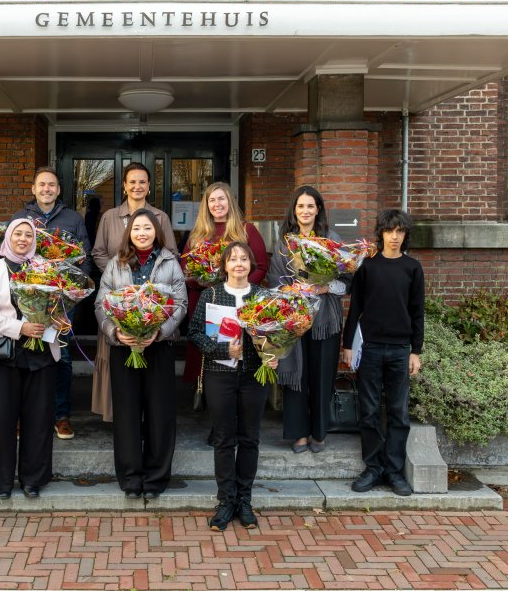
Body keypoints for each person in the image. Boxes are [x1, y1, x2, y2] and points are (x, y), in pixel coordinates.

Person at [94, 208, 187, 499]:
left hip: (159, 348)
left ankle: (156, 478)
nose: (142, 233)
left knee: (160, 414)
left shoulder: (171, 262)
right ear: (129, 233)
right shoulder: (115, 264)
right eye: (136, 229)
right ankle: (131, 478)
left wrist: (159, 332)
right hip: (124, 348)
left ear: (156, 232)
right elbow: (101, 304)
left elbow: (180, 304)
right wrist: (115, 332)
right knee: (127, 414)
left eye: (147, 228)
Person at [342, 209, 425, 497]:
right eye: (389, 231)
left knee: (398, 412)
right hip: (371, 348)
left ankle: (393, 470)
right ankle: (373, 468)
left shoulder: (413, 268)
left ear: (405, 235)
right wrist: (348, 345)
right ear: (381, 234)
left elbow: (417, 312)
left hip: (401, 350)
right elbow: (355, 308)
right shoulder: (367, 267)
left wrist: (416, 350)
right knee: (368, 411)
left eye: (399, 231)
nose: (394, 236)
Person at [187, 242, 269, 532]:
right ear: (224, 266)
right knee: (224, 439)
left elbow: (278, 332)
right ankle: (226, 501)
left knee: (250, 438)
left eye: (243, 259)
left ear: (251, 265)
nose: (238, 264)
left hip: (254, 375)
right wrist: (224, 351)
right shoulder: (211, 294)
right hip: (218, 374)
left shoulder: (262, 296)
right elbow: (194, 333)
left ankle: (244, 501)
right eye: (233, 259)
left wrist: (274, 355)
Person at [0, 218, 61, 499]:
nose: (23, 239)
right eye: (18, 234)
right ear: (9, 238)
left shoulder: (45, 269)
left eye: (28, 235)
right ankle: (1, 481)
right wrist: (21, 328)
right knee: (0, 418)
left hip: (40, 353)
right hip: (4, 354)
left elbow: (57, 308)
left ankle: (33, 479)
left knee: (38, 420)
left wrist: (57, 320)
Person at [90, 162, 178, 422]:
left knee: (151, 358)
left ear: (149, 187)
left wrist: (150, 285)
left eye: (142, 182)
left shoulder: (160, 217)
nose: (137, 186)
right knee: (117, 351)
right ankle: (118, 415)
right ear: (124, 186)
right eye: (132, 182)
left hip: (153, 301)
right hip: (119, 302)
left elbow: (170, 253)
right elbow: (98, 253)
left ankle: (148, 417)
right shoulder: (109, 217)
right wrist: (121, 276)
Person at [267, 186, 349, 454]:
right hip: (293, 319)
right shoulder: (283, 244)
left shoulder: (331, 240)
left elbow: (348, 282)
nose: (305, 211)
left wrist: (325, 287)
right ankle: (298, 433)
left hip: (325, 319)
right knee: (295, 376)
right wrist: (291, 291)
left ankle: (319, 432)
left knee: (322, 376)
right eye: (300, 206)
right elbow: (274, 281)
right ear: (294, 210)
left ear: (318, 210)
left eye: (310, 206)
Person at [11, 166, 90, 441]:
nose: (47, 189)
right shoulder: (21, 218)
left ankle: (61, 416)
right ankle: (25, 414)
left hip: (61, 303)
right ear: (33, 189)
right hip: (28, 303)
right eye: (41, 185)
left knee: (62, 358)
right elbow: (10, 257)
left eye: (52, 185)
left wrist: (73, 295)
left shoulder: (73, 219)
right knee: (25, 358)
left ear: (58, 190)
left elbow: (84, 259)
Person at [182, 182, 269, 384]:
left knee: (237, 349)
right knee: (205, 347)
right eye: (211, 200)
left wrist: (240, 289)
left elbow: (262, 267)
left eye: (221, 198)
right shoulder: (197, 234)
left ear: (230, 201)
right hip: (204, 301)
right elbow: (185, 269)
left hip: (240, 303)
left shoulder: (246, 230)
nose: (217, 204)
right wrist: (201, 283)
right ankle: (204, 390)